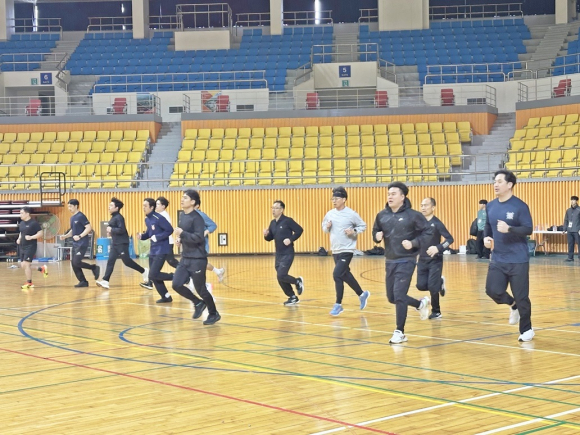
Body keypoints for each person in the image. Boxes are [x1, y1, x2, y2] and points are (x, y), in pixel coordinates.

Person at [372, 182, 432, 344]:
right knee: (392, 297)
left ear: (402, 197)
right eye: (388, 194)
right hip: (390, 260)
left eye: (393, 194)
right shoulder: (382, 215)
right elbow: (375, 231)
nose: (390, 197)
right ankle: (420, 304)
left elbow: (428, 233)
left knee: (399, 295)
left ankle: (400, 332)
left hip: (407, 260)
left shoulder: (413, 215)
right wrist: (376, 237)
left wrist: (413, 243)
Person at [484, 169, 534, 342]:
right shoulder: (490, 206)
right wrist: (486, 238)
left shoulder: (519, 206)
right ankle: (513, 306)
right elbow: (488, 227)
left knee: (522, 296)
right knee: (492, 290)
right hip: (498, 258)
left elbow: (528, 229)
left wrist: (510, 229)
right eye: (494, 181)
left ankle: (527, 329)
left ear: (510, 185)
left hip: (518, 259)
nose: (495, 185)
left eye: (499, 181)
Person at [172, 190, 221, 325]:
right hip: (185, 258)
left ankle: (213, 313)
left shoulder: (197, 218)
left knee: (201, 289)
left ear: (193, 202)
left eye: (185, 198)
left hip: (198, 259)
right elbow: (185, 233)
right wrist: (180, 239)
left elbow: (199, 237)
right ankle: (198, 303)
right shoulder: (183, 215)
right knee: (176, 284)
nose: (182, 199)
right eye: (182, 197)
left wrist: (183, 233)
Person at [322, 186, 370, 316]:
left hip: (347, 249)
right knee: (344, 274)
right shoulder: (330, 214)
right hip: (335, 249)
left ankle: (338, 304)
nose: (334, 201)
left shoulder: (351, 214)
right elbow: (324, 229)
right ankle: (362, 294)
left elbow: (363, 225)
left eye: (336, 198)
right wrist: (327, 227)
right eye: (332, 198)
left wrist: (353, 231)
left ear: (344, 199)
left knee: (337, 274)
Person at [96, 197, 149, 289]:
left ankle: (144, 271)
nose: (109, 207)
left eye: (111, 205)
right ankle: (105, 280)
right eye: (109, 205)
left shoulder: (119, 217)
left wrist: (111, 229)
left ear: (116, 208)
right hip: (115, 243)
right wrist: (111, 232)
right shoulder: (113, 217)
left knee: (127, 262)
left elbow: (122, 229)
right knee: (110, 261)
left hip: (122, 243)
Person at [417, 197, 454, 320]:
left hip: (435, 260)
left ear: (433, 207)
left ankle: (436, 311)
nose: (423, 208)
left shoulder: (437, 223)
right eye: (422, 205)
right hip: (422, 259)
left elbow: (450, 239)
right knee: (420, 285)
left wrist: (438, 248)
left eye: (426, 205)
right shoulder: (418, 223)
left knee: (433, 288)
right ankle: (440, 282)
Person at [264, 200, 304, 305]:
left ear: (281, 210)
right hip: (278, 254)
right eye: (272, 208)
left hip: (288, 253)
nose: (273, 210)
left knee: (281, 274)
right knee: (280, 277)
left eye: (276, 208)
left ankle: (297, 281)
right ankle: (292, 297)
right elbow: (270, 238)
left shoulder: (288, 221)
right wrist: (266, 235)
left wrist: (290, 239)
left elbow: (299, 230)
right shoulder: (272, 223)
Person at [137, 198, 176, 303]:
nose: (143, 208)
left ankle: (177, 277)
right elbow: (149, 234)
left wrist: (158, 237)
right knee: (154, 275)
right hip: (153, 250)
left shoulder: (159, 218)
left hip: (162, 249)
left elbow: (169, 230)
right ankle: (166, 296)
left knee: (153, 274)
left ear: (152, 207)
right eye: (143, 205)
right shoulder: (147, 219)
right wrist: (142, 236)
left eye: (145, 206)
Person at [59, 199, 100, 287]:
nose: (69, 208)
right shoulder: (72, 218)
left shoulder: (81, 216)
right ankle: (83, 281)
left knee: (76, 262)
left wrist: (80, 236)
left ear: (76, 206)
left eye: (70, 206)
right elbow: (73, 230)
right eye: (68, 207)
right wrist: (65, 236)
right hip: (75, 244)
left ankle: (93, 267)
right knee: (73, 263)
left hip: (82, 243)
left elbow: (88, 228)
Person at [17, 206, 48, 289]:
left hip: (30, 246)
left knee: (26, 264)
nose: (20, 215)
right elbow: (21, 232)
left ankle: (29, 283)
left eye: (22, 213)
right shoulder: (21, 223)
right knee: (23, 265)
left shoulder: (34, 223)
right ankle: (41, 269)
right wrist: (19, 238)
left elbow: (40, 233)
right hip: (22, 246)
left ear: (27, 214)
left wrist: (31, 237)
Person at [194, 203, 225, 283]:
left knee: (198, 264)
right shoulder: (187, 215)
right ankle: (218, 271)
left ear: (197, 205)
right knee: (198, 264)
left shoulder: (201, 215)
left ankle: (198, 284)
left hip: (201, 245)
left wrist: (206, 232)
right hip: (191, 245)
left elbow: (213, 225)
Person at [563, 195, 580, 262]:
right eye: (571, 200)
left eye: (574, 200)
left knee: (579, 244)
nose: (572, 201)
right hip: (569, 230)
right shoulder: (568, 210)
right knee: (570, 244)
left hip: (577, 230)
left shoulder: (579, 210)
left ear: (576, 201)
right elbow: (566, 220)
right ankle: (570, 257)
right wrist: (564, 229)